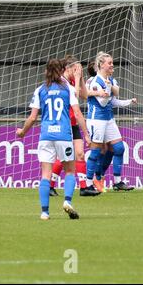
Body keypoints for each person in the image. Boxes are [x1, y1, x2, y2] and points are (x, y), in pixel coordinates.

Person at [16, 59, 90, 220]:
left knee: (45, 175)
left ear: (46, 72)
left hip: (46, 136)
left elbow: (33, 117)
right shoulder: (68, 89)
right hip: (63, 135)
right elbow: (77, 114)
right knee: (70, 171)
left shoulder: (40, 90)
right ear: (62, 70)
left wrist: (22, 132)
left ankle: (44, 212)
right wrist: (86, 135)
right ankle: (67, 201)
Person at [85, 52, 134, 193]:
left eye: (112, 62)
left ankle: (117, 182)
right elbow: (102, 101)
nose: (112, 65)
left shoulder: (110, 79)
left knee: (119, 148)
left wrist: (110, 86)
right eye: (109, 63)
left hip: (109, 119)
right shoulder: (95, 82)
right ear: (101, 65)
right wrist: (106, 88)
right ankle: (89, 184)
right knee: (95, 152)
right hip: (97, 119)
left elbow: (116, 93)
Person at [49, 55, 97, 197]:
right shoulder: (61, 82)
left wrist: (80, 78)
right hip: (64, 122)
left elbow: (85, 95)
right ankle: (50, 185)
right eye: (76, 68)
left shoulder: (72, 80)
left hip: (73, 123)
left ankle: (83, 188)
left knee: (80, 153)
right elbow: (74, 95)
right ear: (69, 68)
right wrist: (76, 79)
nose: (78, 70)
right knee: (65, 156)